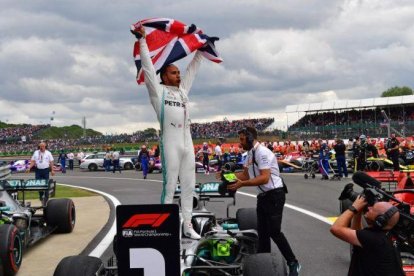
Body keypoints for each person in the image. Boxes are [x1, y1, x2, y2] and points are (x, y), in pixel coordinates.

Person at [135, 26, 203, 239]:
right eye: (174, 73)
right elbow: (147, 68)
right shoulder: (158, 91)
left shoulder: (183, 91)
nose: (178, 75)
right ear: (164, 76)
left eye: (178, 72)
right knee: (170, 185)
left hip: (187, 141)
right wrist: (143, 42)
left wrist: (202, 49)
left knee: (189, 185)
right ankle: (167, 225)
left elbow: (192, 69)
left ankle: (188, 225)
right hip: (170, 141)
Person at [227, 127, 301, 276]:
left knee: (274, 231)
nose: (240, 142)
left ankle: (293, 262)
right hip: (263, 196)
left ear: (249, 138)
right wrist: (227, 176)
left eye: (242, 139)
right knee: (263, 233)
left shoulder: (262, 152)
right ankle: (263, 265)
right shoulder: (249, 154)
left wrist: (241, 184)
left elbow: (264, 177)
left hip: (275, 195)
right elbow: (245, 175)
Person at [330, 196, 404, 275]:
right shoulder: (387, 235)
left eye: (373, 209)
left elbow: (335, 228)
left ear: (380, 219)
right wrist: (358, 213)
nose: (369, 208)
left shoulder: (372, 238)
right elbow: (358, 233)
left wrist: (354, 207)